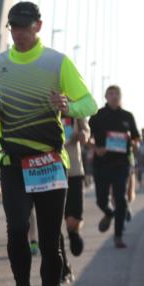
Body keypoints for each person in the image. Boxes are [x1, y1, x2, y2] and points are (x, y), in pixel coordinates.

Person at [0, 2, 96, 286]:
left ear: (38, 26)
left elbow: (89, 103)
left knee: (48, 241)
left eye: (24, 26)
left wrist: (68, 106)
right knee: (17, 230)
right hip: (13, 163)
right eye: (13, 27)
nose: (17, 33)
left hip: (48, 163)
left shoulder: (57, 63)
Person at [89, 85, 140, 249]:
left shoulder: (128, 116)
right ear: (105, 96)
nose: (114, 96)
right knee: (101, 200)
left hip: (121, 163)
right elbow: (87, 138)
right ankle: (108, 213)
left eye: (117, 93)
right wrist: (96, 148)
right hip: (101, 164)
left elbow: (136, 138)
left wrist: (134, 144)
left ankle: (118, 236)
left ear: (121, 96)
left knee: (121, 199)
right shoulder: (97, 116)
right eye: (111, 93)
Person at [62, 114, 89, 271]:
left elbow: (86, 130)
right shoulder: (41, 102)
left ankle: (73, 233)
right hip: (49, 169)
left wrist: (83, 135)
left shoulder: (75, 108)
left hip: (73, 170)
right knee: (53, 222)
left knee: (73, 219)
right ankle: (62, 264)